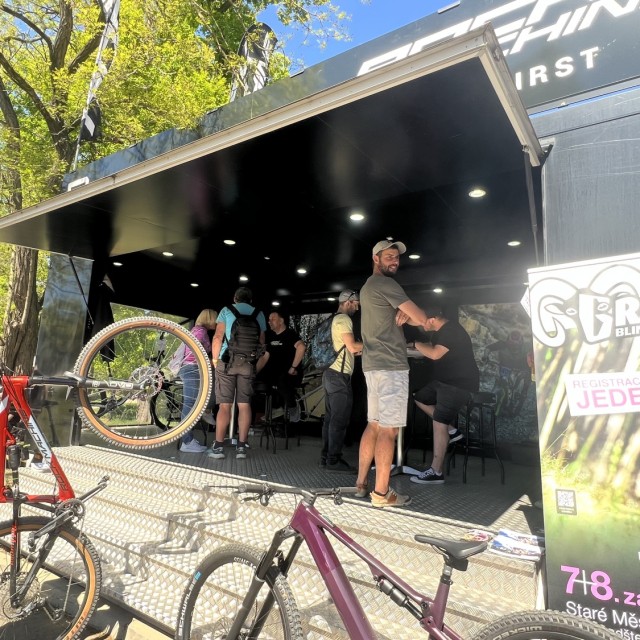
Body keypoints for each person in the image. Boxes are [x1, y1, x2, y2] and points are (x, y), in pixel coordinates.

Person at [355, 239, 430, 508]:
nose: (395, 261)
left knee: (374, 424)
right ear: (376, 258)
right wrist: (408, 314)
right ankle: (382, 493)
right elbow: (422, 319)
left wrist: (401, 312)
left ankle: (361, 484)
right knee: (389, 430)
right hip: (391, 367)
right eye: (389, 256)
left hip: (372, 365)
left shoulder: (367, 287)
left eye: (396, 257)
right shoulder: (386, 284)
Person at [410, 306, 479, 485]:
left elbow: (434, 354)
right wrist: (406, 349)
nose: (421, 325)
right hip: (443, 381)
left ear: (432, 319)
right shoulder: (441, 332)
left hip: (457, 383)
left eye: (422, 321)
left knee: (439, 421)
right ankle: (452, 430)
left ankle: (436, 472)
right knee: (420, 398)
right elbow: (429, 352)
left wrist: (414, 343)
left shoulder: (451, 330)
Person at [209, 287, 267, 460]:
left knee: (224, 405)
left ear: (235, 298)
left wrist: (215, 359)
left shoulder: (227, 310)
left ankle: (218, 447)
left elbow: (218, 337)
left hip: (227, 361)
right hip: (248, 364)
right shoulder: (259, 313)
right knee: (244, 405)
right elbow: (261, 342)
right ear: (251, 300)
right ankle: (241, 447)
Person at [320, 290, 363, 472]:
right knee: (339, 420)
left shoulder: (332, 319)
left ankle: (325, 457)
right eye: (356, 303)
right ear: (348, 302)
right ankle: (333, 460)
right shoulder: (344, 319)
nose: (357, 308)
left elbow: (346, 348)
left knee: (330, 419)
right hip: (339, 376)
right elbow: (352, 347)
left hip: (329, 373)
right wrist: (377, 345)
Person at [255, 310, 306, 424]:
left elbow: (301, 347)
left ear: (281, 321)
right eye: (269, 320)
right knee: (257, 381)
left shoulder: (290, 334)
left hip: (289, 373)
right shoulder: (270, 336)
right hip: (274, 372)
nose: (269, 322)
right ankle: (273, 409)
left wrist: (293, 367)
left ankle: (292, 408)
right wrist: (254, 372)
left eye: (273, 319)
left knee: (282, 381)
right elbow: (265, 357)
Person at [178, 308, 218, 453]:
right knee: (189, 405)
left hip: (190, 368)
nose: (218, 322)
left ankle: (206, 410)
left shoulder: (197, 330)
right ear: (210, 319)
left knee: (192, 403)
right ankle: (187, 442)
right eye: (216, 319)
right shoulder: (200, 332)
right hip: (192, 369)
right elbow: (193, 353)